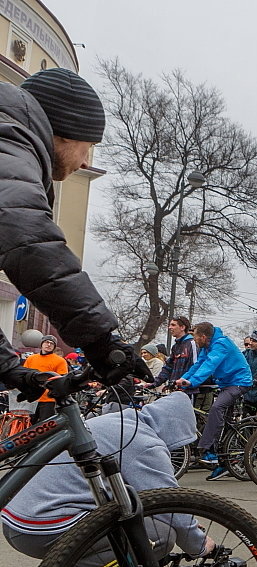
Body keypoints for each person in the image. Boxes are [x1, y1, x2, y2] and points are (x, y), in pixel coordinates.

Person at [0, 68, 149, 402]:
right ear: (65, 132)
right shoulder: (8, 142)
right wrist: (100, 342)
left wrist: (11, 369)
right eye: (89, 146)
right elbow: (27, 238)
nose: (85, 162)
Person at [2, 392, 212, 567]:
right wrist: (200, 545)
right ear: (178, 427)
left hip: (20, 521)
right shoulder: (144, 443)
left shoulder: (119, 422)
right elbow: (172, 506)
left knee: (137, 522)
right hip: (41, 528)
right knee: (160, 535)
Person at [176, 322, 252, 477]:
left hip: (239, 382)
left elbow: (210, 364)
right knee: (222, 419)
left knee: (216, 408)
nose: (194, 339)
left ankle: (209, 450)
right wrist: (182, 379)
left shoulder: (220, 344)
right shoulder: (207, 346)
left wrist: (193, 382)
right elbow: (199, 364)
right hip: (225, 383)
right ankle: (224, 462)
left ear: (203, 336)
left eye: (195, 336)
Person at [149, 316, 200, 400]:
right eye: (170, 325)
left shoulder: (192, 343)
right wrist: (153, 383)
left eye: (173, 325)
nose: (170, 327)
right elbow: (168, 367)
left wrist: (186, 381)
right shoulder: (175, 347)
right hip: (175, 390)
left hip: (188, 391)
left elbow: (196, 366)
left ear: (182, 327)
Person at [24, 335, 69, 422]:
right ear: (41, 344)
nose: (48, 345)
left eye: (52, 344)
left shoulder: (60, 361)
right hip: (31, 399)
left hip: (48, 399)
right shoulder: (31, 358)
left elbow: (62, 379)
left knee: (45, 426)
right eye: (46, 342)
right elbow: (24, 375)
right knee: (27, 426)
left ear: (54, 347)